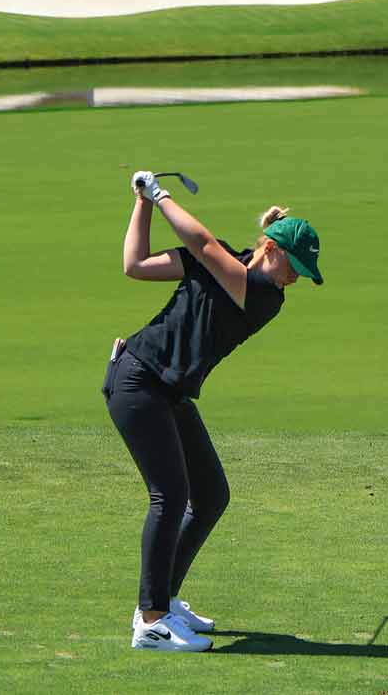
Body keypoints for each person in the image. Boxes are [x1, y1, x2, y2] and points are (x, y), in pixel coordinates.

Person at [105, 169, 323, 652]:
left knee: (210, 496)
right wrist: (143, 200)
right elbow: (135, 264)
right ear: (274, 249)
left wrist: (160, 194)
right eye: (297, 267)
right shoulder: (228, 265)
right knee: (170, 493)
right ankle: (151, 620)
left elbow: (204, 247)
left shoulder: (265, 297)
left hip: (168, 391)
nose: (297, 280)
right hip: (138, 380)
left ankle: (164, 597)